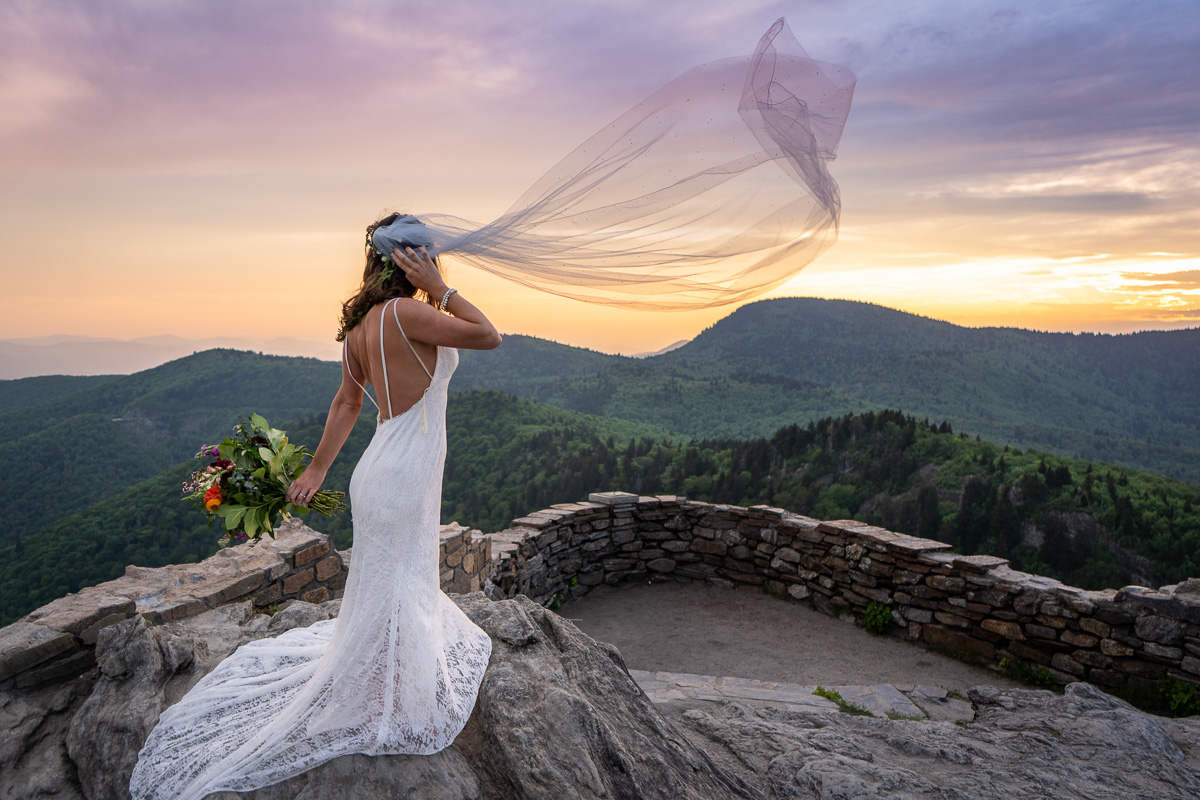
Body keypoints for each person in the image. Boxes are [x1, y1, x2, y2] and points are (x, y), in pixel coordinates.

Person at [128, 213, 501, 800]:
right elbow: (488, 334)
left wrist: (318, 468)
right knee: (398, 577)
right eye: (427, 254)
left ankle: (380, 676)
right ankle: (388, 692)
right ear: (410, 260)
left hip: (381, 467)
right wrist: (441, 288)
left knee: (391, 577)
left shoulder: (360, 328)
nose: (436, 259)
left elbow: (347, 403)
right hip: (404, 471)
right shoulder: (409, 312)